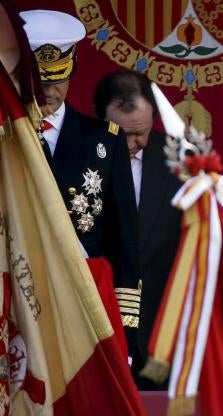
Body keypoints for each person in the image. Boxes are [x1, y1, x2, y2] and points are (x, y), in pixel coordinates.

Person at [21, 9, 140, 347]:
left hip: (83, 306)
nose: (48, 90)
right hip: (16, 298)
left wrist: (125, 332)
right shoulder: (6, 137)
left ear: (71, 69)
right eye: (39, 80)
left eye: (56, 79)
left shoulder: (104, 139)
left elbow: (124, 239)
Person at [93, 70, 183, 390]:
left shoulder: (182, 161)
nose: (137, 143)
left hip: (164, 341)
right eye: (125, 134)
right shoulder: (81, 158)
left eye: (143, 131)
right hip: (97, 334)